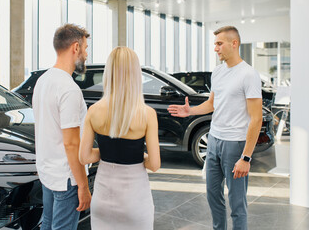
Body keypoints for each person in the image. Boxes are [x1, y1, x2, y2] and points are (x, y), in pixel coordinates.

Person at [168, 26, 262, 230]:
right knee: (213, 197)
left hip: (235, 145)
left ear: (234, 43)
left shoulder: (249, 74)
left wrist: (246, 157)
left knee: (237, 204)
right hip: (213, 141)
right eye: (215, 44)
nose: (215, 49)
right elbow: (212, 103)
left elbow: (256, 119)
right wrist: (190, 111)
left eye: (219, 44)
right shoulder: (218, 72)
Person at [79, 46, 161, 230]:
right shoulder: (147, 114)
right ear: (135, 74)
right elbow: (154, 164)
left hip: (103, 199)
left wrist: (108, 151)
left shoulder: (94, 111)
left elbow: (84, 157)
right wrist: (139, 155)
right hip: (135, 201)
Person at [32, 24, 91, 230]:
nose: (86, 54)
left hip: (47, 172)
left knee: (47, 224)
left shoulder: (42, 81)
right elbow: (71, 144)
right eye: (85, 48)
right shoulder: (69, 89)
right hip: (66, 178)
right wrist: (83, 186)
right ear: (75, 47)